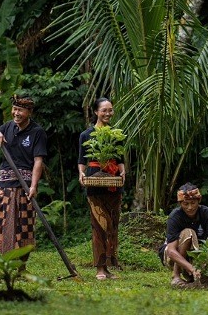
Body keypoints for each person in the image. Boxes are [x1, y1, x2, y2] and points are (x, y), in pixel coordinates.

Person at [0, 94, 47, 255]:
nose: (16, 113)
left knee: (23, 224)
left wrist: (34, 186)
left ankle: (20, 265)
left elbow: (38, 162)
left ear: (29, 112)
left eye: (20, 110)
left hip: (24, 185)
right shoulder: (7, 127)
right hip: (4, 183)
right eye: (14, 109)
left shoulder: (37, 132)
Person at [78, 97, 126, 280]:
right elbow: (82, 160)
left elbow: (120, 159)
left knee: (113, 225)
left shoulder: (115, 134)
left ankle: (109, 267)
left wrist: (123, 173)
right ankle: (99, 268)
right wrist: (82, 174)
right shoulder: (86, 134)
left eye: (110, 110)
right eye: (104, 110)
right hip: (95, 180)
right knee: (99, 225)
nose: (108, 113)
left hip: (113, 181)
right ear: (96, 112)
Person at [159, 183, 208, 286]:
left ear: (198, 201)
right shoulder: (175, 216)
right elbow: (171, 251)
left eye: (193, 203)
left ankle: (190, 276)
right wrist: (191, 268)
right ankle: (176, 275)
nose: (190, 207)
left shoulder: (206, 213)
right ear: (180, 204)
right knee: (189, 232)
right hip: (171, 256)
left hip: (195, 253)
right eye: (186, 204)